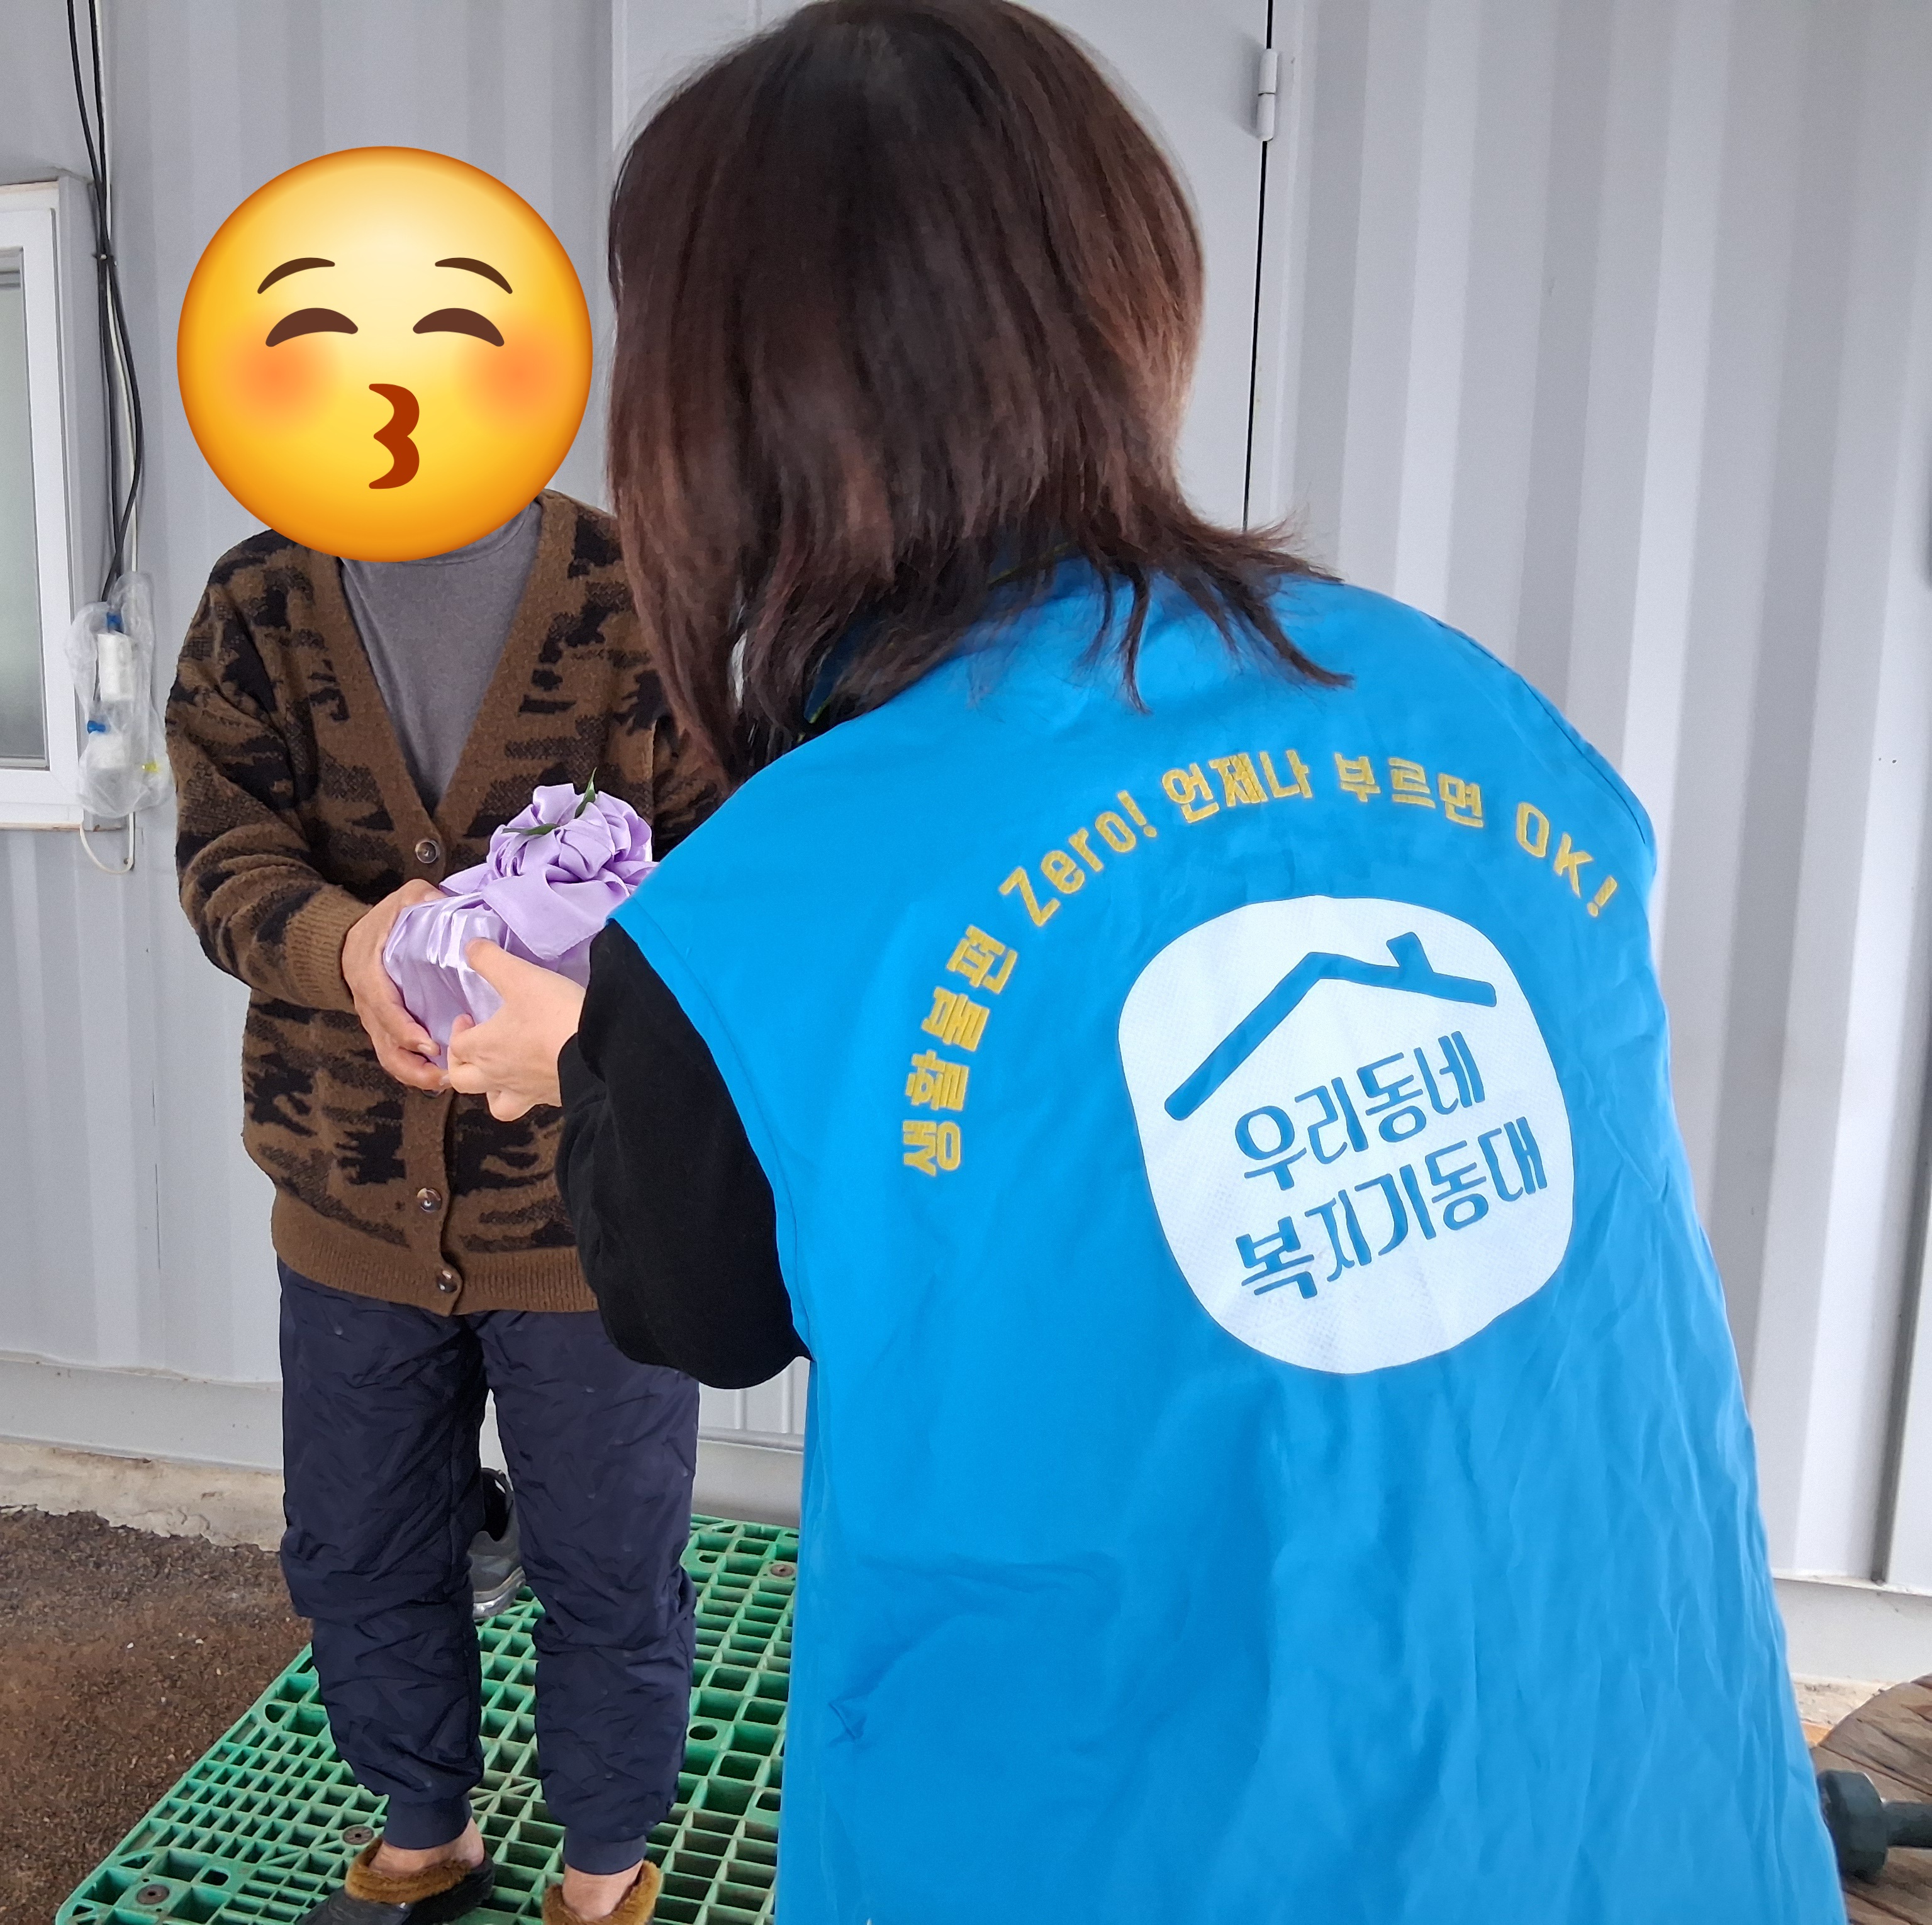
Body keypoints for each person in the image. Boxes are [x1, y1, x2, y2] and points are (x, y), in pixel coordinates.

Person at [442, 3, 1845, 1921]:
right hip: (1660, 1815)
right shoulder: (1470, 711)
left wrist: (576, 1054)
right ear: (1127, 299)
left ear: (714, 408)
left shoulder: (771, 905)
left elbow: (698, 1308)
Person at [165, 488, 717, 1925]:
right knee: (363, 1546)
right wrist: (350, 945)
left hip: (591, 1221)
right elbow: (223, 856)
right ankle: (423, 1840)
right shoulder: (258, 601)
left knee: (611, 1560)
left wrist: (594, 1018)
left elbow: (725, 871)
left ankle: (604, 1869)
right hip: (348, 1203)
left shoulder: (636, 591)